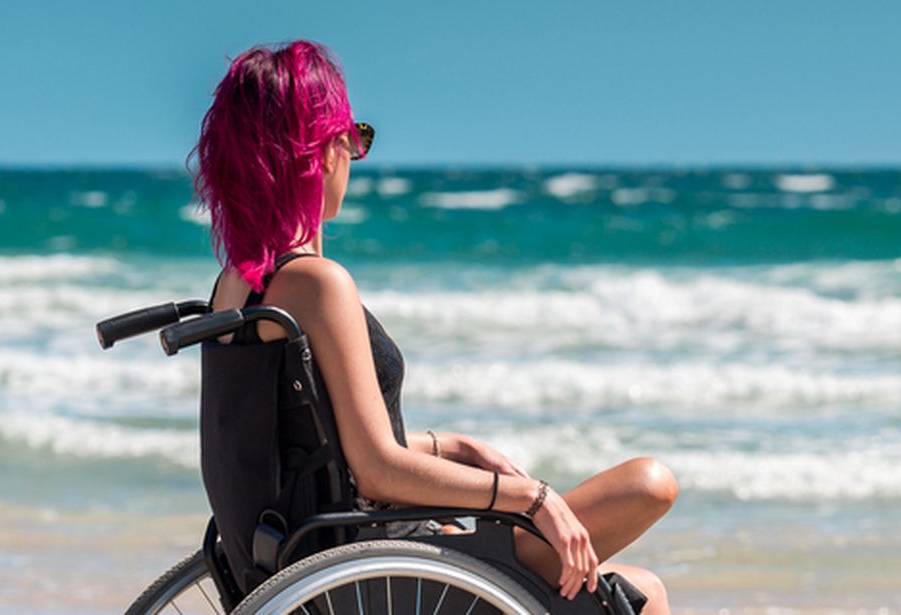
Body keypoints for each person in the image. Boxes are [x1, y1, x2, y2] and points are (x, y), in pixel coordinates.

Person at [191, 40, 676, 612]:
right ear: (314, 150)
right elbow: (376, 470)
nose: (355, 150)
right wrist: (529, 498)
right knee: (649, 489)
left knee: (630, 580)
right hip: (370, 577)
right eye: (351, 133)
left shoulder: (236, 286)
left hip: (305, 565)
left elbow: (308, 443)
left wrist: (455, 446)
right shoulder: (318, 286)